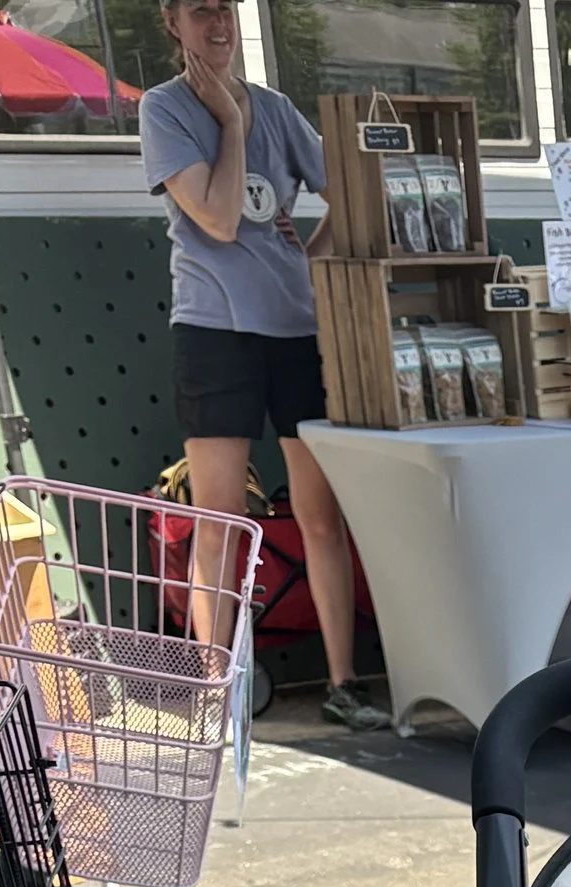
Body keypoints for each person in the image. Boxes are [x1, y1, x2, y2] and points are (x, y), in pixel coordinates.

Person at [139, 0, 390, 730]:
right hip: (213, 331)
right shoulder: (164, 109)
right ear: (172, 22)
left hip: (295, 332)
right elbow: (216, 216)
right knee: (219, 515)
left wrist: (307, 254)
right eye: (200, 12)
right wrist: (230, 123)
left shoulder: (276, 108)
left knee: (320, 514)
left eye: (226, 11)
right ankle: (215, 688)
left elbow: (354, 188)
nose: (217, 25)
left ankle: (345, 683)